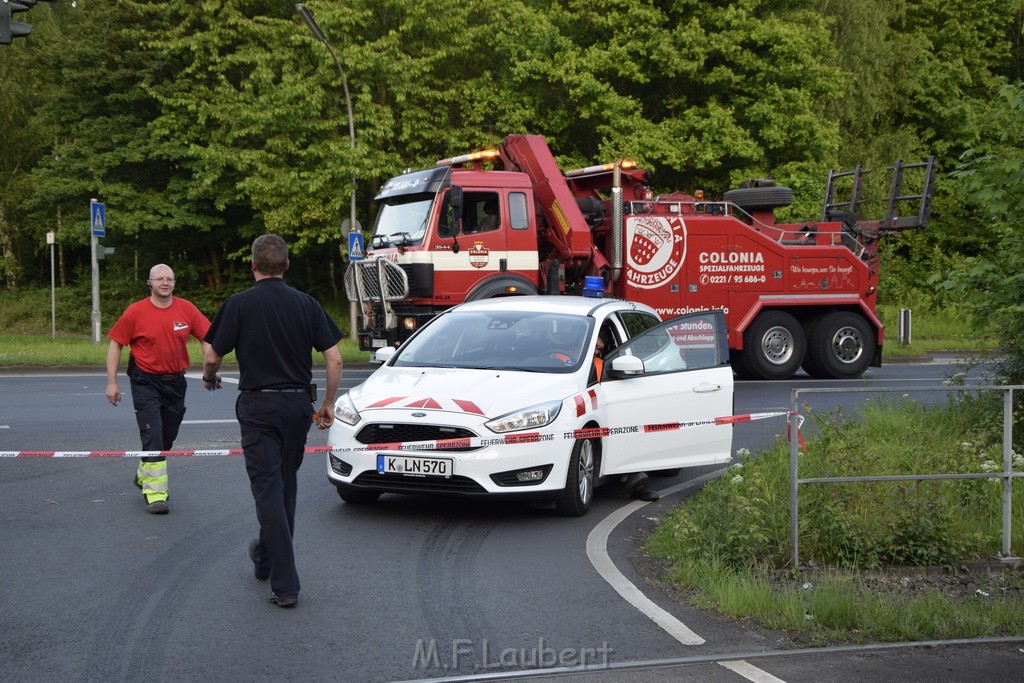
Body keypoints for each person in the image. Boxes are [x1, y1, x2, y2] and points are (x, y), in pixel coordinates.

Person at [203, 234, 343, 609]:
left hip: (259, 407)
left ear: (252, 265)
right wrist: (328, 403)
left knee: (267, 491)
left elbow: (213, 355)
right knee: (285, 486)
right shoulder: (306, 303)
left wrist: (208, 375)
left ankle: (286, 584)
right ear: (286, 265)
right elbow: (335, 359)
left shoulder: (238, 304)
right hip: (298, 407)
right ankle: (265, 558)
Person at [105, 264, 213, 515]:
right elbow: (116, 345)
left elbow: (207, 337)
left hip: (176, 381)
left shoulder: (186, 308)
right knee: (152, 435)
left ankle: (145, 472)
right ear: (150, 283)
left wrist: (211, 367)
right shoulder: (136, 311)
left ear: (174, 283)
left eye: (170, 279)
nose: (165, 282)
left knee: (166, 437)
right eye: (160, 279)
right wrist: (112, 382)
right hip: (145, 381)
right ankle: (155, 494)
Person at [592, 326, 660, 502]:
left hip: (610, 407)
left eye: (600, 349)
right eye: (595, 348)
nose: (597, 352)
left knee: (629, 429)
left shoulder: (600, 363)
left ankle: (635, 482)